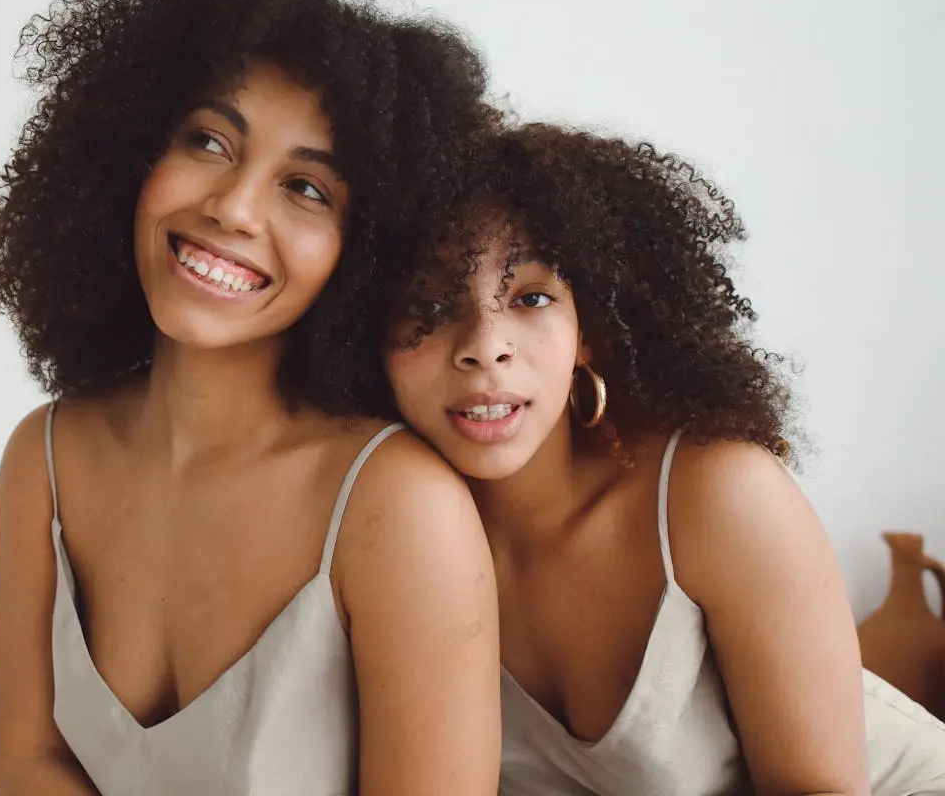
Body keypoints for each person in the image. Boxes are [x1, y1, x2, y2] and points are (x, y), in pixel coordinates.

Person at [0, 0, 504, 793]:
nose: (233, 206)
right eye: (209, 141)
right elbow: (29, 761)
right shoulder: (45, 458)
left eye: (309, 189)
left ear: (367, 254)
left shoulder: (395, 507)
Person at [384, 122, 945, 795]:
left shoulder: (715, 492)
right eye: (430, 305)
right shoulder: (394, 541)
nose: (484, 346)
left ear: (586, 330)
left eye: (530, 297)